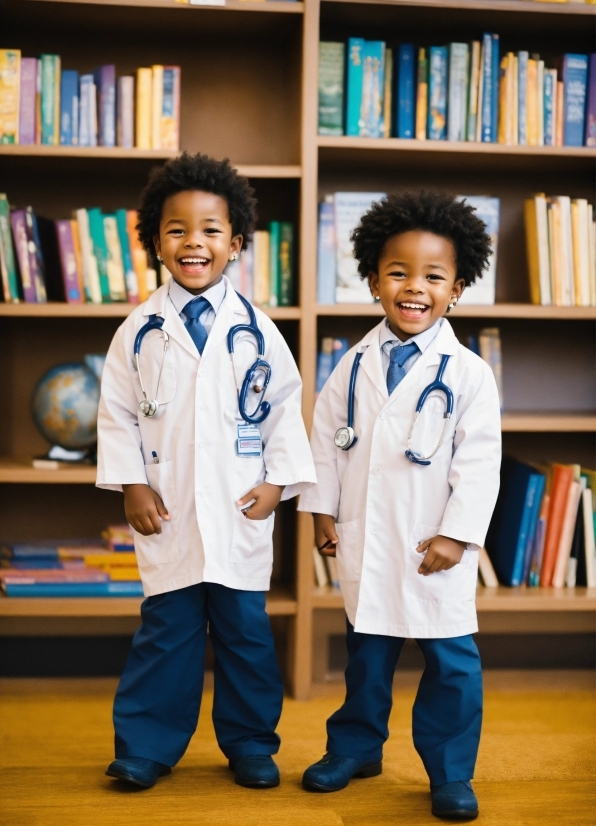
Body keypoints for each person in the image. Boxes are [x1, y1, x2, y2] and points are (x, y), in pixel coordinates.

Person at [97, 152, 316, 791]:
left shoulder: (260, 332)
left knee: (247, 637)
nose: (194, 242)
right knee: (167, 636)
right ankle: (147, 746)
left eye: (211, 230)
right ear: (154, 243)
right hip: (166, 511)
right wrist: (132, 481)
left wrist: (278, 483)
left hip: (241, 508)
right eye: (177, 230)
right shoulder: (137, 332)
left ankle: (250, 744)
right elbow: (116, 415)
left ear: (236, 244)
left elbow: (283, 413)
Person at [298, 191, 501, 820]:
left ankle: (449, 774)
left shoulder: (468, 374)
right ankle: (356, 749)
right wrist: (322, 512)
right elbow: (326, 444)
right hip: (370, 540)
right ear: (372, 281)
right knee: (367, 657)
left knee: (451, 667)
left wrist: (456, 534)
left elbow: (479, 464)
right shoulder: (351, 367)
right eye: (398, 273)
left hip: (433, 546)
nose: (415, 288)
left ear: (458, 288)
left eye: (433, 277)